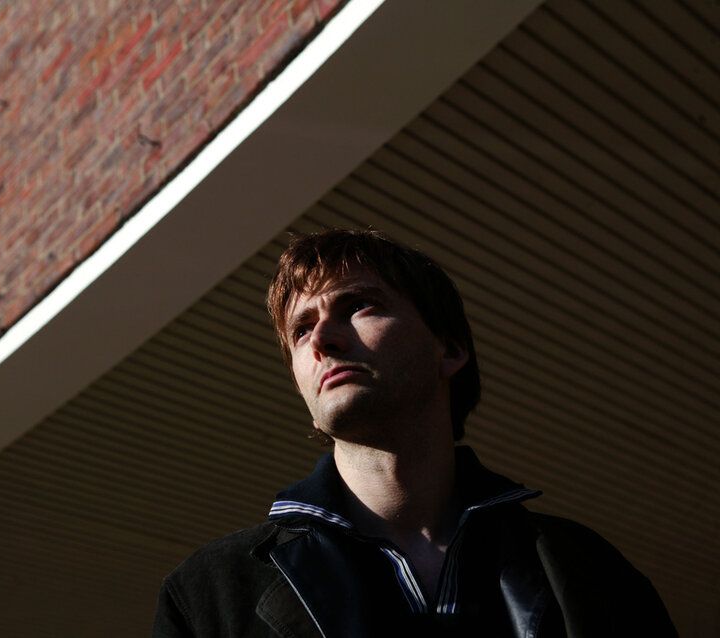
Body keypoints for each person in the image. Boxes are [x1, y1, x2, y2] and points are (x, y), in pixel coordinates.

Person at [152, 229, 675, 637]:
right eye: (301, 329)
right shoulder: (207, 593)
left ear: (450, 349)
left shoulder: (588, 570)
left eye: (358, 306)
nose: (323, 340)